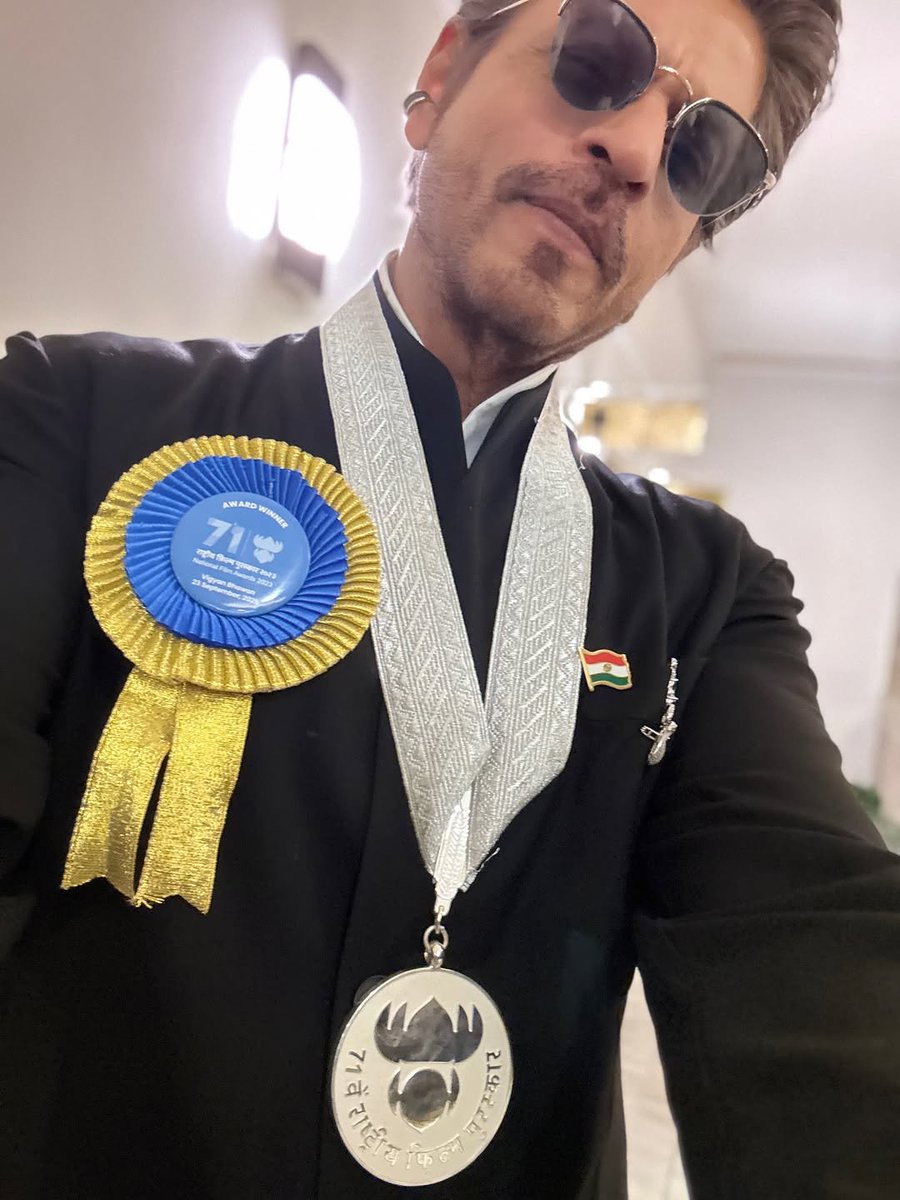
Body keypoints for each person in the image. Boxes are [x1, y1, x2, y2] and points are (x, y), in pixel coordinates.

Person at [0, 0, 897, 1196]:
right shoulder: (71, 423)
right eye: (597, 60)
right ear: (442, 74)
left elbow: (816, 949)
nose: (635, 149)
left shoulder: (710, 594)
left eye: (702, 153)